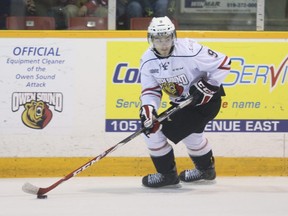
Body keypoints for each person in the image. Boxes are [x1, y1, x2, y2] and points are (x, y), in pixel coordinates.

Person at [139, 16, 231, 188]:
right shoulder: (147, 60)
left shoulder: (189, 49)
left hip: (206, 101)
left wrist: (208, 86)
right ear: (150, 39)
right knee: (190, 136)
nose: (163, 43)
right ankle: (206, 170)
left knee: (155, 131)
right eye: (158, 39)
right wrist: (148, 110)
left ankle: (167, 175)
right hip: (184, 103)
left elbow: (224, 63)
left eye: (167, 38)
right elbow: (151, 91)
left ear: (173, 36)